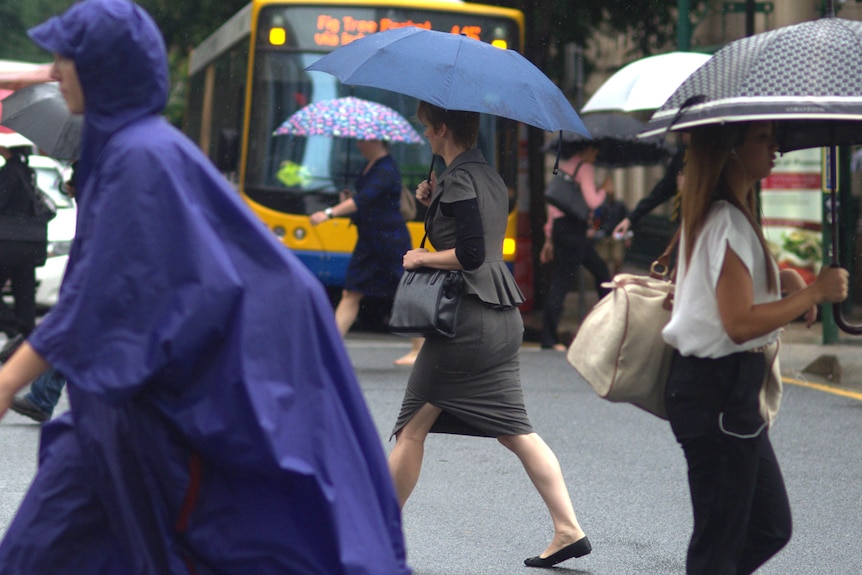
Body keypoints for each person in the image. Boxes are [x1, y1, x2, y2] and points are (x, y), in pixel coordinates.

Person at [0, 2, 411, 573]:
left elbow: (99, 298)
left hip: (164, 407)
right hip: (125, 411)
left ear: (105, 67)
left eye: (68, 56)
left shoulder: (140, 154)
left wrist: (7, 381)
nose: (54, 69)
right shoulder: (130, 147)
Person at [388, 101, 591, 568]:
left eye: (426, 128)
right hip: (502, 315)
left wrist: (420, 257)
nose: (425, 136)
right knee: (516, 431)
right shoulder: (487, 176)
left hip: (466, 319)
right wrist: (432, 201)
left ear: (441, 129)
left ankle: (377, 531)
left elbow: (472, 252)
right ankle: (568, 528)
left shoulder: (458, 180)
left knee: (411, 429)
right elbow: (476, 230)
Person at [663, 120, 848, 574]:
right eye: (764, 138)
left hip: (727, 392)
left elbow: (730, 297)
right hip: (718, 391)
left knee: (767, 525)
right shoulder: (724, 217)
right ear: (732, 149)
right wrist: (813, 294)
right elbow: (739, 322)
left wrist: (781, 282)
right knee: (719, 541)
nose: (776, 147)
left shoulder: (730, 213)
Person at [311, 139, 413, 336]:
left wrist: (329, 212)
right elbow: (365, 202)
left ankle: (419, 348)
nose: (358, 145)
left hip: (389, 241)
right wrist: (347, 201)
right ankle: (332, 346)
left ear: (376, 141)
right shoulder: (372, 166)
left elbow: (364, 199)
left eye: (362, 141)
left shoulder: (386, 168)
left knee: (405, 292)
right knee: (351, 292)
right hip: (369, 240)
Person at [540, 141, 613, 351]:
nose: (597, 153)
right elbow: (593, 202)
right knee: (593, 276)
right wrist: (605, 191)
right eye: (595, 149)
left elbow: (554, 208)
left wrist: (548, 239)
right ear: (587, 149)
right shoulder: (585, 167)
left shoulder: (565, 167)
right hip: (574, 229)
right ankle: (608, 324)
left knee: (592, 273)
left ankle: (549, 336)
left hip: (561, 229)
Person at [0, 146, 46, 339]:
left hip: (8, 240)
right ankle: (26, 336)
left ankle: (13, 326)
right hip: (30, 240)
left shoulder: (8, 172)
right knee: (25, 294)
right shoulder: (29, 173)